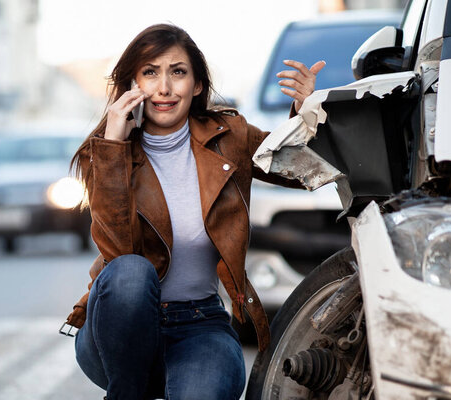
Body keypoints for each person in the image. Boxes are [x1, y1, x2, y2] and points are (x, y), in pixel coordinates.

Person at [63, 24, 325, 400]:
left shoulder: (230, 137)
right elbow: (117, 251)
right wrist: (113, 147)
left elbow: (301, 171)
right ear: (132, 86)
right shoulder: (104, 152)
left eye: (178, 72)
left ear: (197, 85)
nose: (164, 88)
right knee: (131, 273)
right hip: (116, 336)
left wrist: (305, 112)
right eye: (150, 72)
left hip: (199, 326)